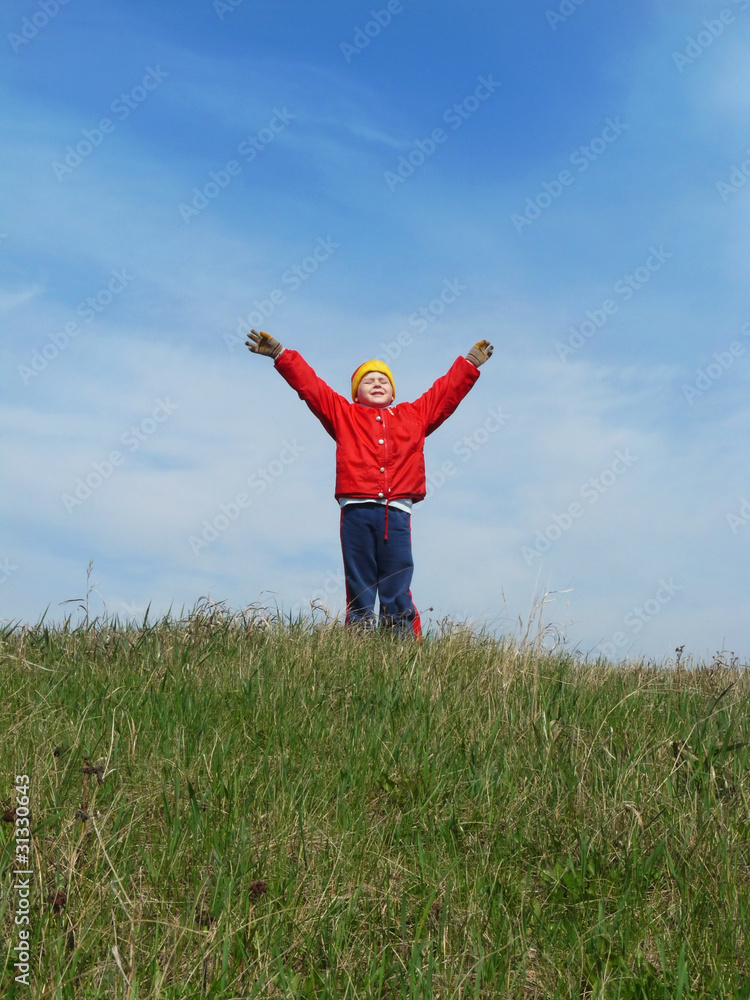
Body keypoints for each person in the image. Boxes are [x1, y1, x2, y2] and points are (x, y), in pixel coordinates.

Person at [246, 329, 494, 638]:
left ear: (393, 392)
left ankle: (401, 643)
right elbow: (311, 388)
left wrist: (470, 363)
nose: (377, 383)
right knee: (360, 581)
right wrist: (281, 355)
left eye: (384, 380)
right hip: (357, 512)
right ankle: (358, 641)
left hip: (397, 513)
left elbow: (445, 393)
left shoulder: (414, 415)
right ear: (355, 393)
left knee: (397, 580)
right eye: (368, 380)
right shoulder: (343, 415)